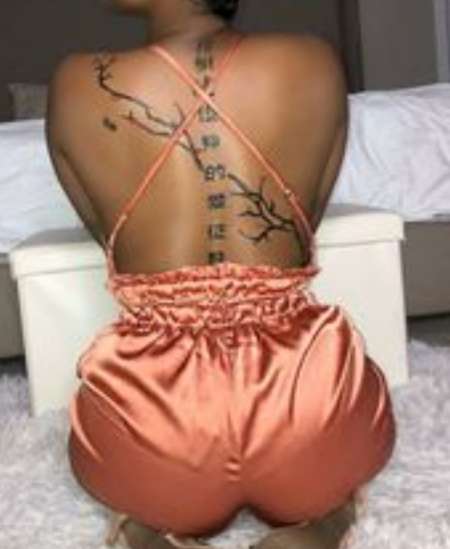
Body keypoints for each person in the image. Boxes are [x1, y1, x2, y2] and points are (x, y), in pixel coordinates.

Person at [45, 1, 397, 548]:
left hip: (157, 426)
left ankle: (146, 528)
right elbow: (305, 227)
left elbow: (111, 239)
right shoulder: (314, 60)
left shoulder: (75, 81)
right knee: (358, 428)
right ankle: (326, 521)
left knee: (97, 451)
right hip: (305, 412)